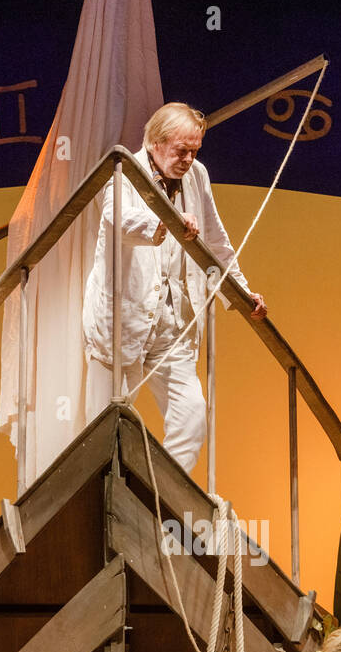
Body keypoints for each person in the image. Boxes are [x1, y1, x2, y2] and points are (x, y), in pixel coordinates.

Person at [83, 101, 267, 473]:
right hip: (121, 327)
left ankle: (158, 502)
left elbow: (215, 239)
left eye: (194, 150)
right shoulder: (121, 172)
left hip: (171, 327)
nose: (188, 159)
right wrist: (165, 221)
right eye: (182, 150)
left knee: (191, 418)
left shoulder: (197, 175)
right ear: (155, 142)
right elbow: (118, 220)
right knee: (104, 433)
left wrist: (241, 293)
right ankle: (109, 508)